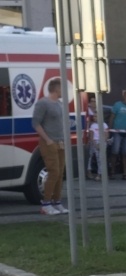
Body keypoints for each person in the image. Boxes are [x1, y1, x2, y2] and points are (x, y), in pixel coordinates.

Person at [31, 78, 68, 215]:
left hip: (60, 142)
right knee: (54, 172)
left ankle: (57, 202)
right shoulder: (43, 103)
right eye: (62, 88)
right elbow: (35, 123)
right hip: (49, 142)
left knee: (60, 173)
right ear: (56, 89)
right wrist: (47, 140)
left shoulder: (59, 104)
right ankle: (46, 204)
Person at [109, 89, 126, 180]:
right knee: (115, 151)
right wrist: (110, 129)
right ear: (124, 96)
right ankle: (112, 172)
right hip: (117, 132)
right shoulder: (117, 105)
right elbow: (112, 117)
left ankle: (125, 173)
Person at [87, 112, 109, 182]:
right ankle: (90, 171)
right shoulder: (93, 125)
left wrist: (101, 143)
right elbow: (91, 136)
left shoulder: (104, 125)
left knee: (100, 159)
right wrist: (95, 144)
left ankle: (100, 174)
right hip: (94, 142)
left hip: (102, 142)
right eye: (94, 116)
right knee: (91, 157)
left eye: (96, 116)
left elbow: (106, 135)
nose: (94, 118)